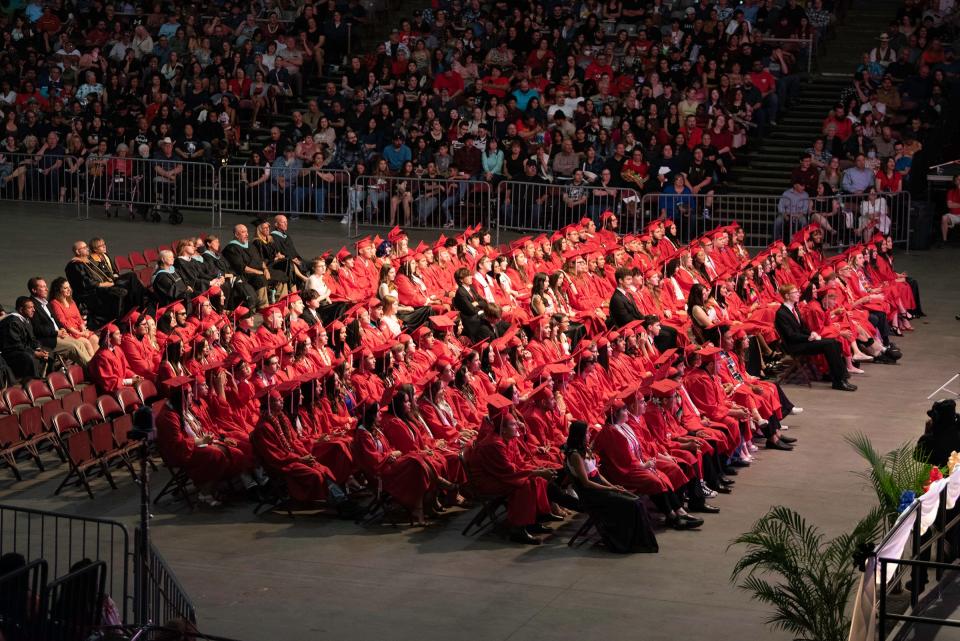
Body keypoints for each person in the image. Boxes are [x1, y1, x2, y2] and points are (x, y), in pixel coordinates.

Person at [465, 396, 559, 544]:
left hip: (500, 475)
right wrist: (536, 472)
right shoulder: (493, 444)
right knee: (525, 485)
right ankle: (518, 529)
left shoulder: (508, 438)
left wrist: (536, 470)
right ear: (502, 429)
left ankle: (533, 521)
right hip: (487, 480)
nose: (518, 427)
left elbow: (519, 463)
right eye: (514, 425)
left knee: (535, 478)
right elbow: (509, 472)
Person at [562, 420, 659, 553]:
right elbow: (586, 482)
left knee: (637, 501)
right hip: (593, 495)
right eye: (587, 433)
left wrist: (613, 485)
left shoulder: (585, 449)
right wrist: (610, 489)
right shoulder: (574, 455)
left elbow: (596, 473)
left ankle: (639, 540)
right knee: (633, 504)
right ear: (580, 435)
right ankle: (631, 542)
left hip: (601, 488)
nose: (589, 435)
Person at [774, 284, 856, 392]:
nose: (798, 294)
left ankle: (841, 378)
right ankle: (838, 381)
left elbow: (802, 328)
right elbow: (791, 335)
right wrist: (808, 338)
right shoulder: (781, 313)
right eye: (795, 292)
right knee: (830, 344)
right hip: (794, 345)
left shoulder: (795, 309)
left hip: (802, 341)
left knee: (835, 342)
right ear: (787, 296)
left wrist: (811, 333)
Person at [27, 276, 92, 365]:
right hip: (48, 339)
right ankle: (92, 368)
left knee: (80, 344)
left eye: (46, 286)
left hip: (59, 334)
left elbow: (56, 320)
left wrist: (62, 329)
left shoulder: (45, 303)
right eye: (42, 287)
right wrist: (56, 332)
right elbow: (38, 329)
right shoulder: (32, 305)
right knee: (73, 347)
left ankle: (90, 367)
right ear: (34, 290)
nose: (46, 289)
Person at [0, 297, 48, 379]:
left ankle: (42, 380)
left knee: (48, 352)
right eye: (30, 308)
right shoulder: (13, 322)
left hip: (23, 349)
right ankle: (31, 383)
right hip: (11, 353)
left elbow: (32, 338)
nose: (34, 310)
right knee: (29, 357)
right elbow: (16, 345)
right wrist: (34, 353)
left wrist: (38, 348)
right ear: (21, 310)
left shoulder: (26, 320)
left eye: (33, 307)